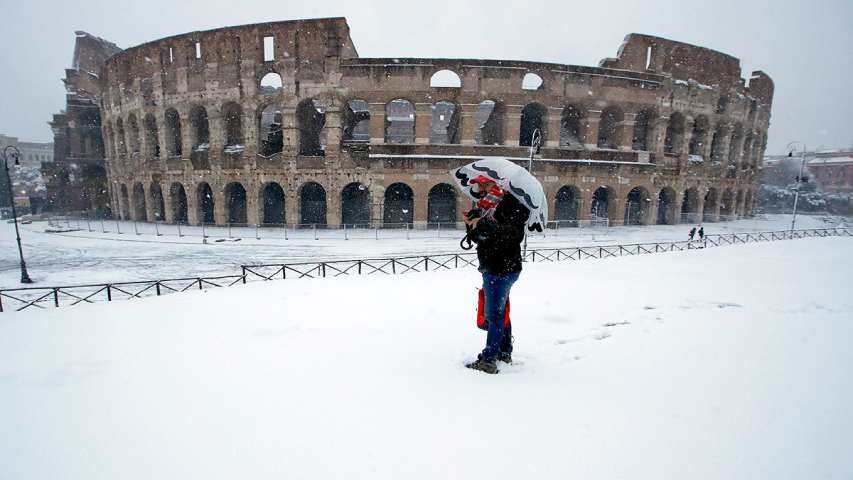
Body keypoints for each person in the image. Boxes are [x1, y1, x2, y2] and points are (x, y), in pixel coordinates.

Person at [463, 176, 530, 374]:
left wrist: (484, 224)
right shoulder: (485, 207)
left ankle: (489, 359)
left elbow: (513, 236)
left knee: (494, 314)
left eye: (487, 184)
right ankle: (504, 351)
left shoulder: (513, 204)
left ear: (499, 185)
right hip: (492, 266)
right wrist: (471, 224)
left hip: (502, 268)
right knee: (500, 311)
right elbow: (479, 239)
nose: (481, 188)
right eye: (479, 184)